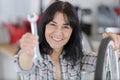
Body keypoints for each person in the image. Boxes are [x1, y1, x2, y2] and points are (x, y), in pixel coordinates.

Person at [15, 1, 120, 80]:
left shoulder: (77, 58)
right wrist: (27, 53)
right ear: (44, 27)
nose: (58, 32)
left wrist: (114, 47)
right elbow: (24, 66)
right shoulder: (34, 56)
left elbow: (105, 62)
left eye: (66, 27)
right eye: (52, 24)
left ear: (72, 32)